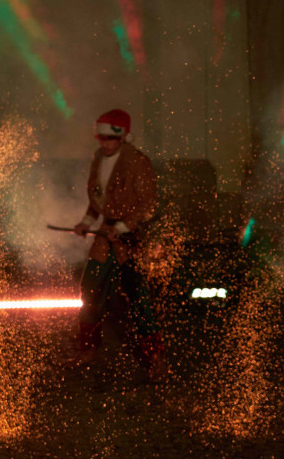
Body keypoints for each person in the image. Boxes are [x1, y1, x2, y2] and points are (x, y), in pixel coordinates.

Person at [71, 109, 164, 379]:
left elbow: (148, 205)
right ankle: (87, 350)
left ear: (122, 137)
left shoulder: (137, 162)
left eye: (109, 139)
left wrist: (121, 228)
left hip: (130, 240)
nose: (104, 143)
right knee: (89, 290)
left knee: (140, 299)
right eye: (101, 138)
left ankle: (155, 359)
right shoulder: (99, 158)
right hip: (104, 240)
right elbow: (96, 198)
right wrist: (87, 221)